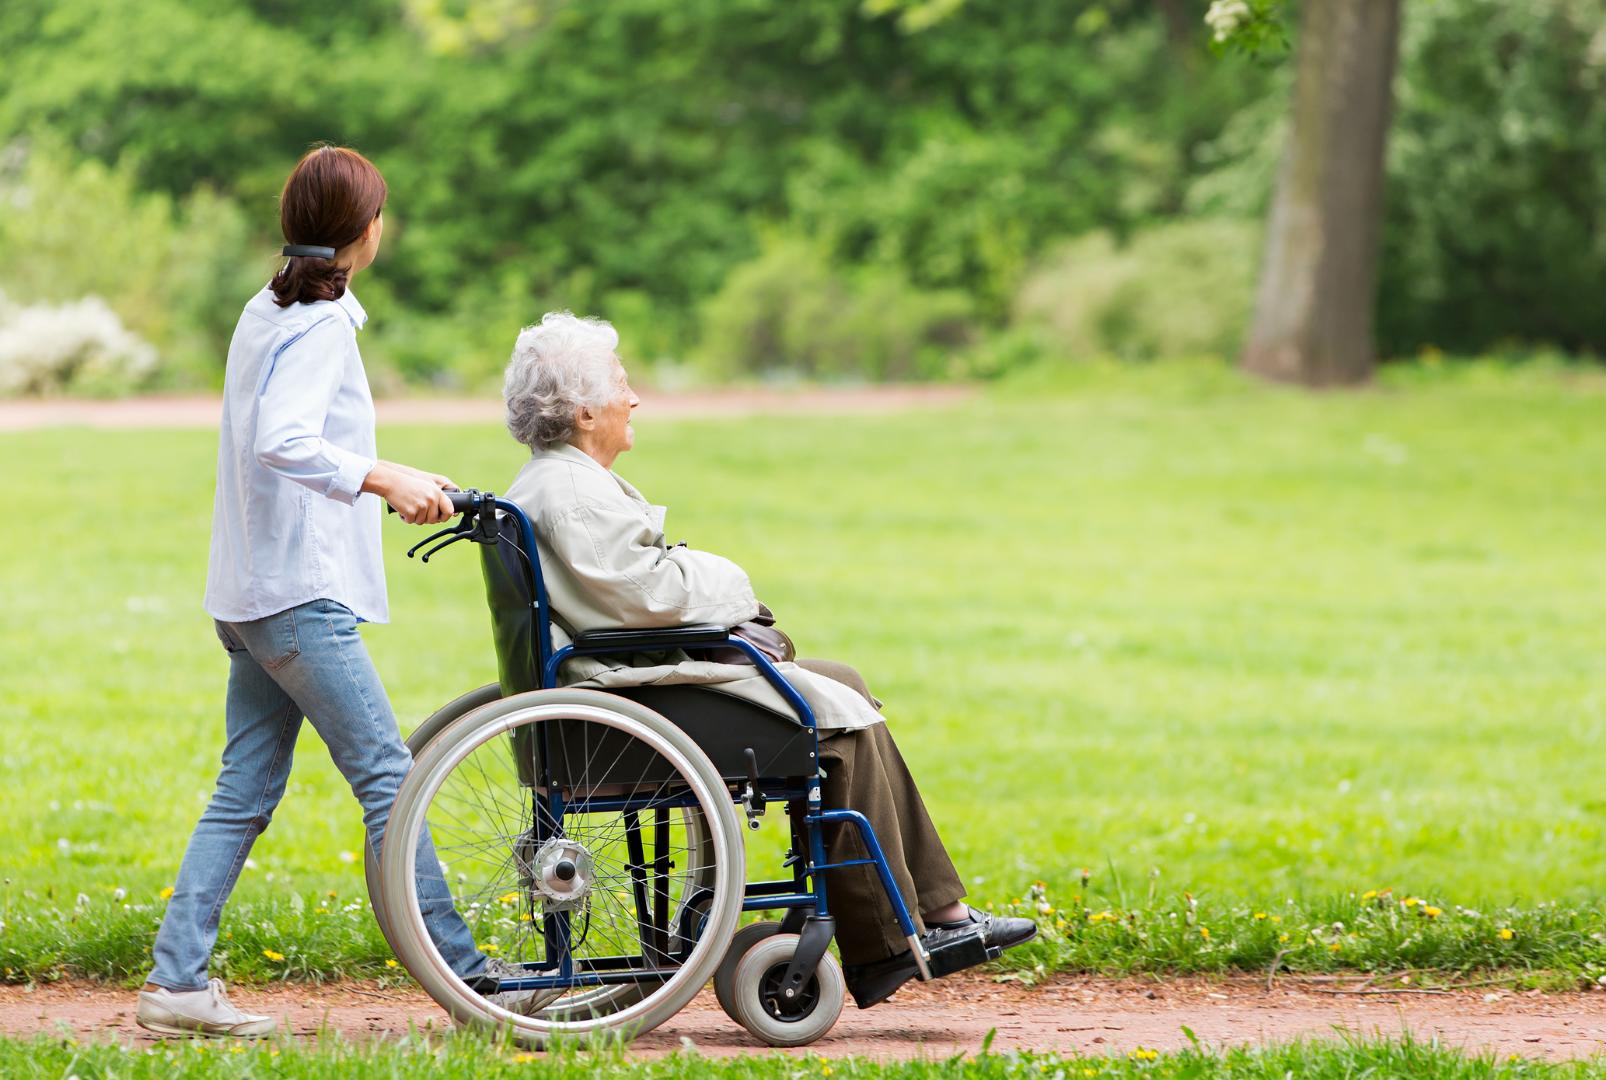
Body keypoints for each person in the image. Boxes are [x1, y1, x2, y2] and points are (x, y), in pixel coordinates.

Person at [498, 312, 1037, 1009]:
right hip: (630, 702)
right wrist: (731, 581)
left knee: (842, 684)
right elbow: (646, 595)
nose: (635, 400)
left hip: (624, 685)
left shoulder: (554, 484)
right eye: (622, 385)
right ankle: (901, 936)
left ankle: (930, 915)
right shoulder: (569, 495)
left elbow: (630, 590)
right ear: (584, 410)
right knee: (836, 719)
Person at [135, 146, 551, 1037]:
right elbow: (282, 441)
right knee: (392, 785)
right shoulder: (319, 325)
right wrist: (380, 476)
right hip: (294, 597)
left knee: (245, 786)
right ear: (367, 231)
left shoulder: (269, 305)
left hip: (252, 593)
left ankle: (176, 984)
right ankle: (479, 984)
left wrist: (383, 472)